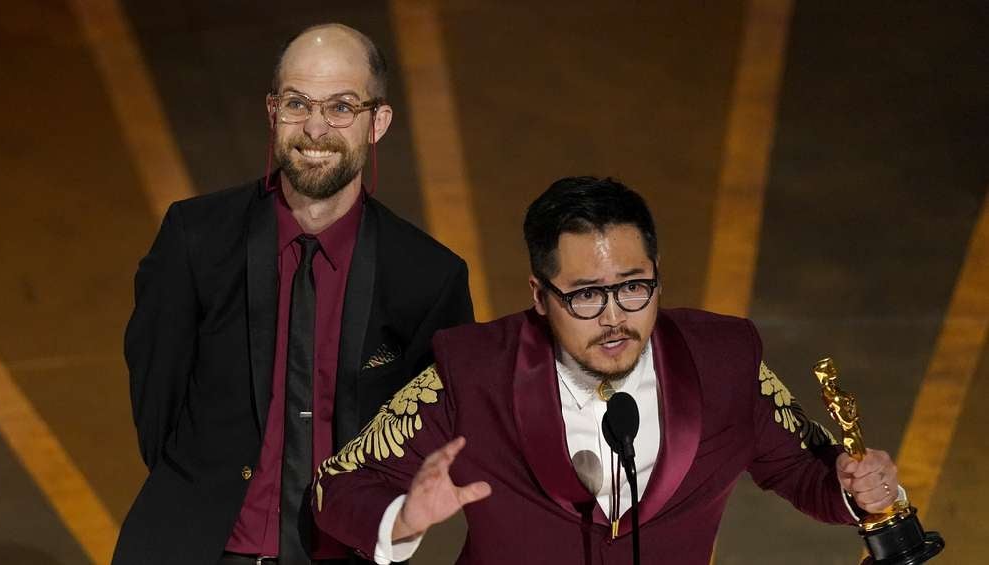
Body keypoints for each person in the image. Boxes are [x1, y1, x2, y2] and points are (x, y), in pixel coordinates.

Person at [313, 176, 902, 564]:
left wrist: (863, 489)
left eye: (634, 288)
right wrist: (404, 519)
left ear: (657, 277)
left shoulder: (726, 360)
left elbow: (806, 472)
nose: (616, 319)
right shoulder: (471, 374)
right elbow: (337, 484)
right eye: (587, 296)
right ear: (540, 296)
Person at [114, 24, 474, 565]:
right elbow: (155, 399)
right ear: (271, 110)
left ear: (378, 122)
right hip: (192, 546)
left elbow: (421, 442)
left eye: (340, 108)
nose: (313, 127)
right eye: (297, 103)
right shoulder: (195, 239)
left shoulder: (428, 277)